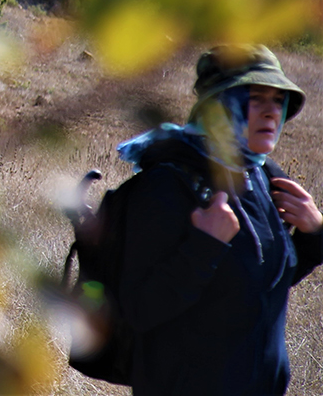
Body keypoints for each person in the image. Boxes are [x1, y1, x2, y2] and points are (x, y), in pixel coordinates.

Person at [116, 46, 322, 395]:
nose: (272, 112)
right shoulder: (168, 184)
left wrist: (315, 235)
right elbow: (138, 310)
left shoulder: (262, 177)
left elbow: (255, 287)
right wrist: (204, 247)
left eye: (278, 100)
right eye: (255, 98)